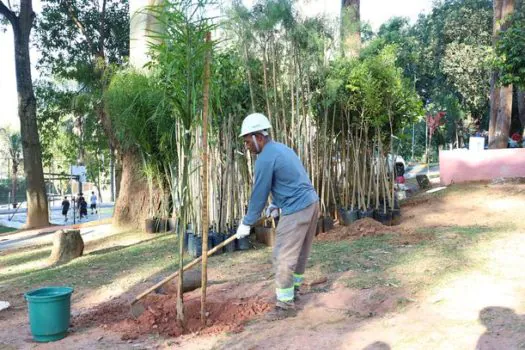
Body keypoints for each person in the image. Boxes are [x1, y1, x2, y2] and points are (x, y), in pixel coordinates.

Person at [235, 113, 319, 321]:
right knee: (299, 253)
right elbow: (293, 178)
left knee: (282, 255)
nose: (246, 146)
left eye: (247, 141)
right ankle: (294, 292)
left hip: (297, 209)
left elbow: (259, 192)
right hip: (311, 203)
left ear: (258, 137)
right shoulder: (282, 149)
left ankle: (285, 305)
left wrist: (247, 223)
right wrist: (276, 203)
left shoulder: (265, 158)